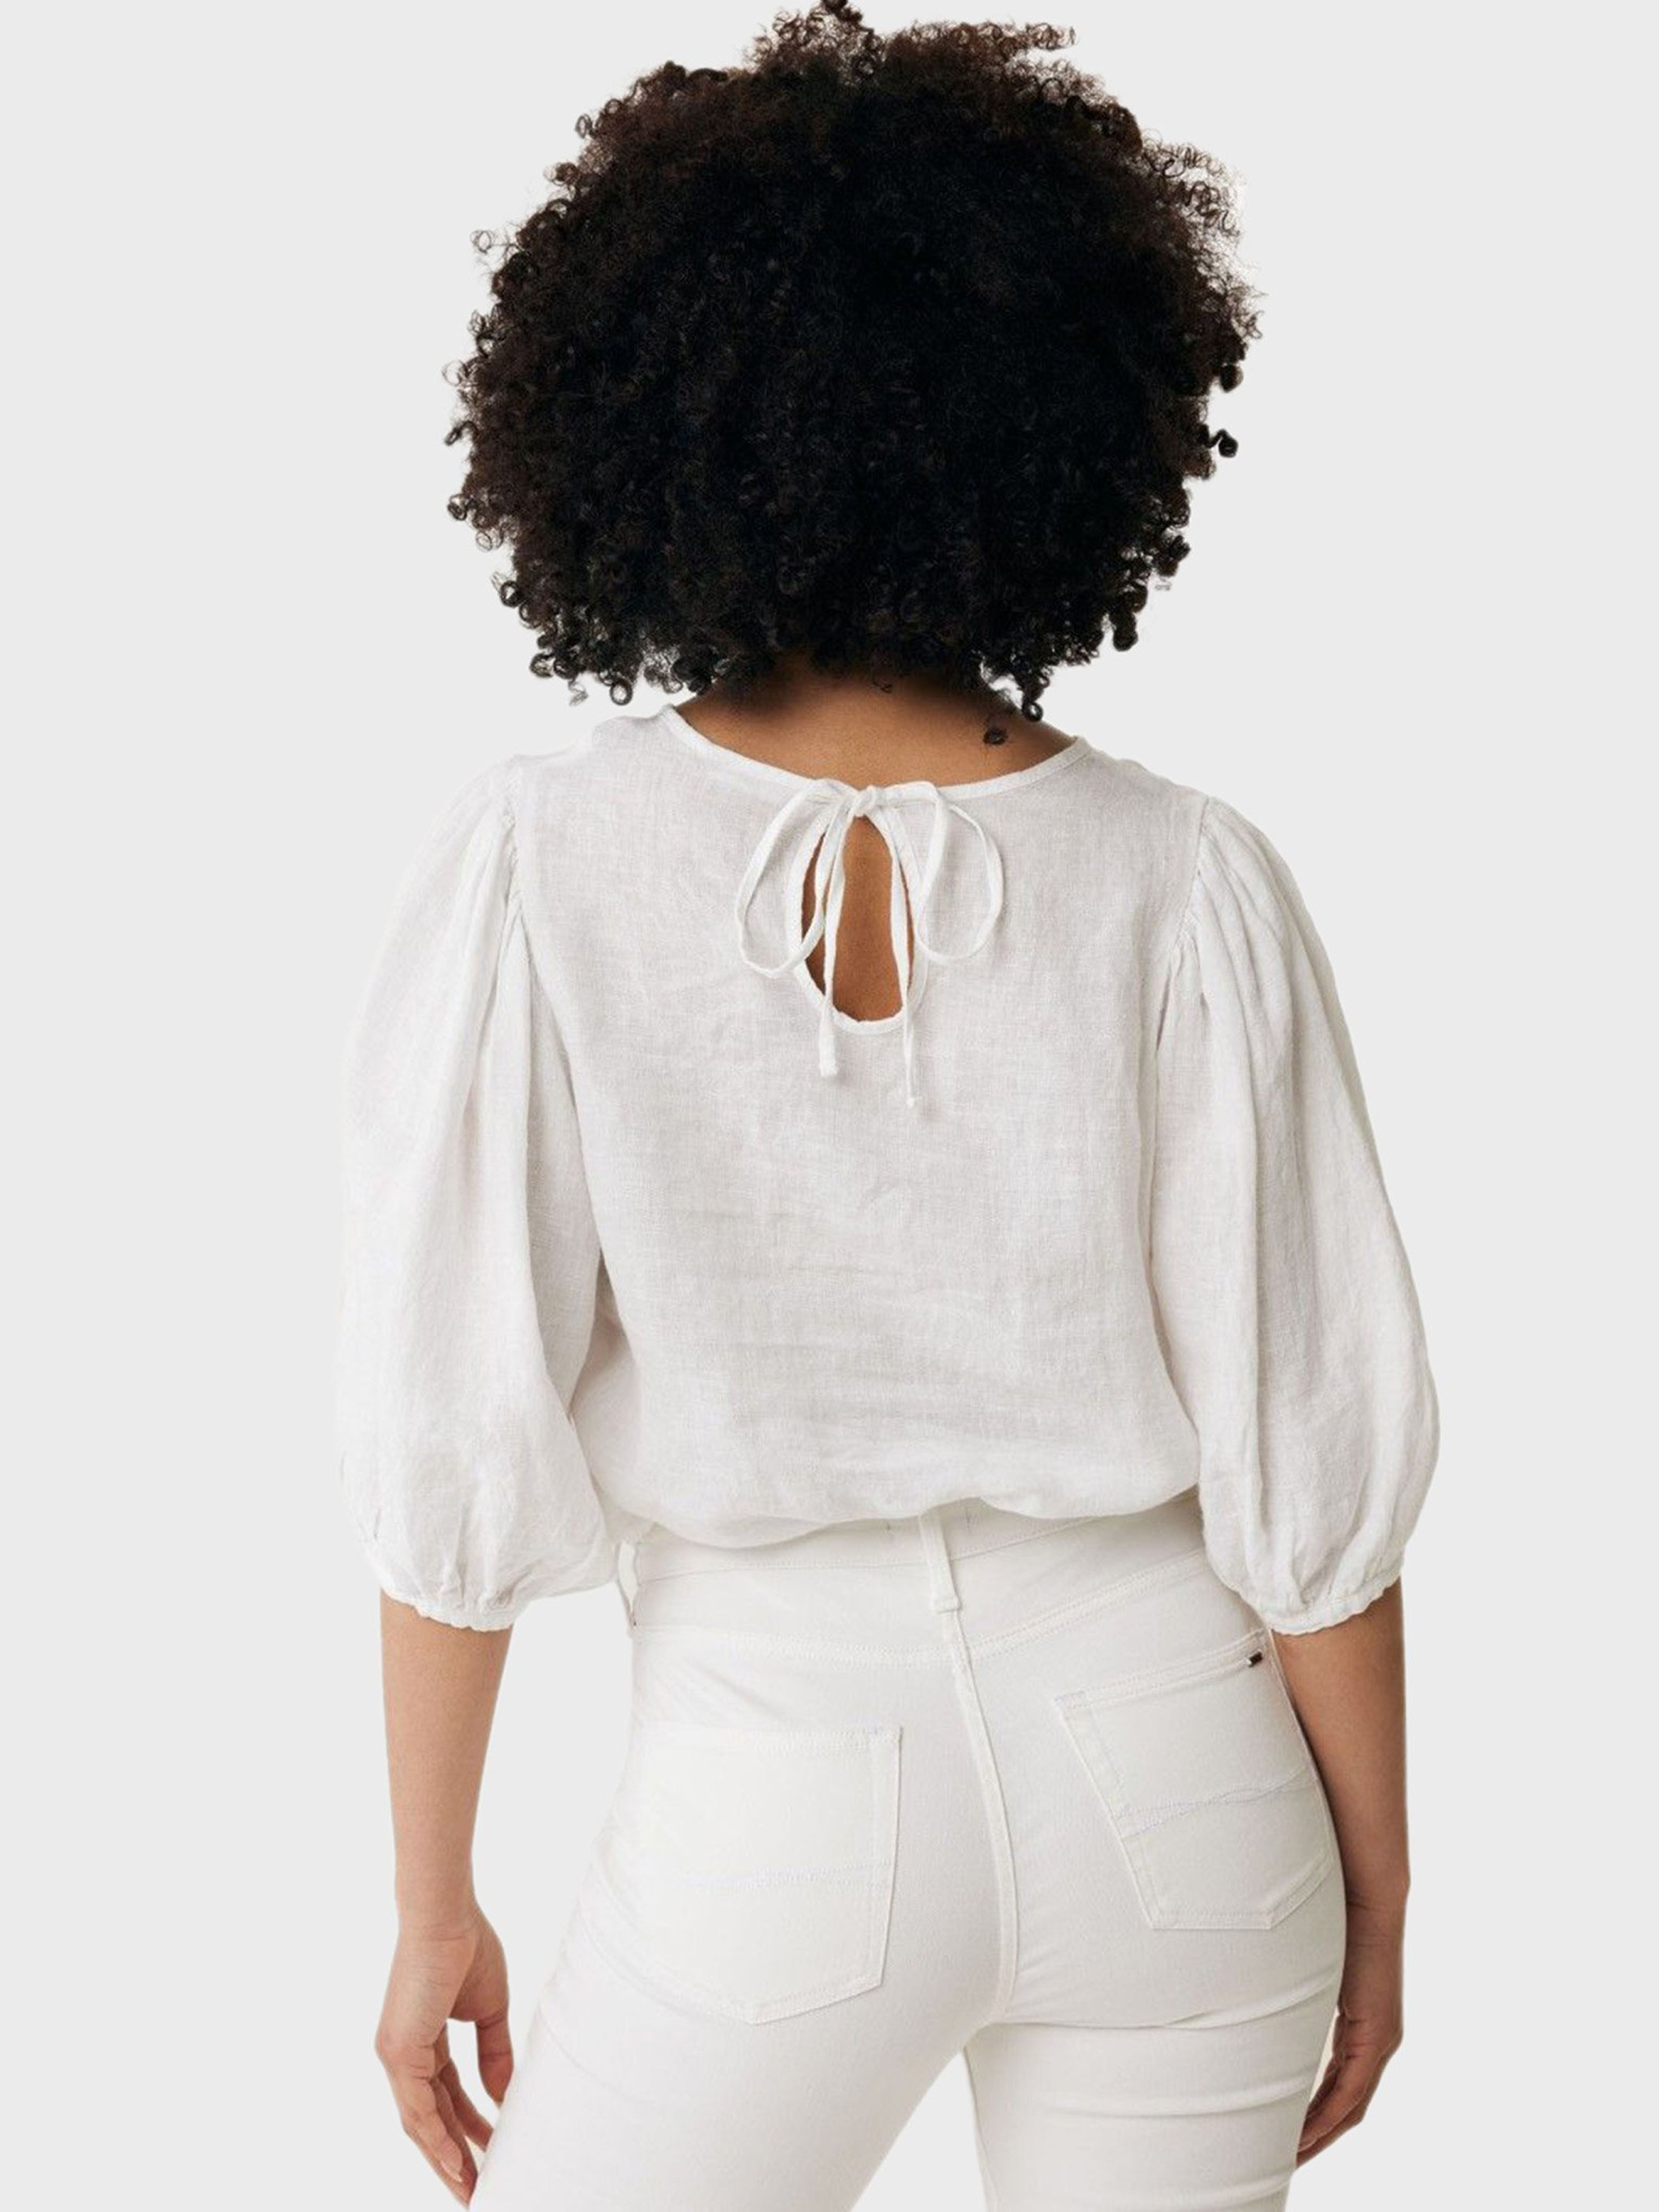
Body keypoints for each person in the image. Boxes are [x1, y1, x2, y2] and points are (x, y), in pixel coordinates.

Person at [336, 7, 1439, 2205]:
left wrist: (430, 1894)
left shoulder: (546, 866)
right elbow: (1307, 1456)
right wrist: (1379, 1894)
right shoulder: (1187, 877)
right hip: (1181, 1775)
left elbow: (456, 1428)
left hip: (772, 1790)